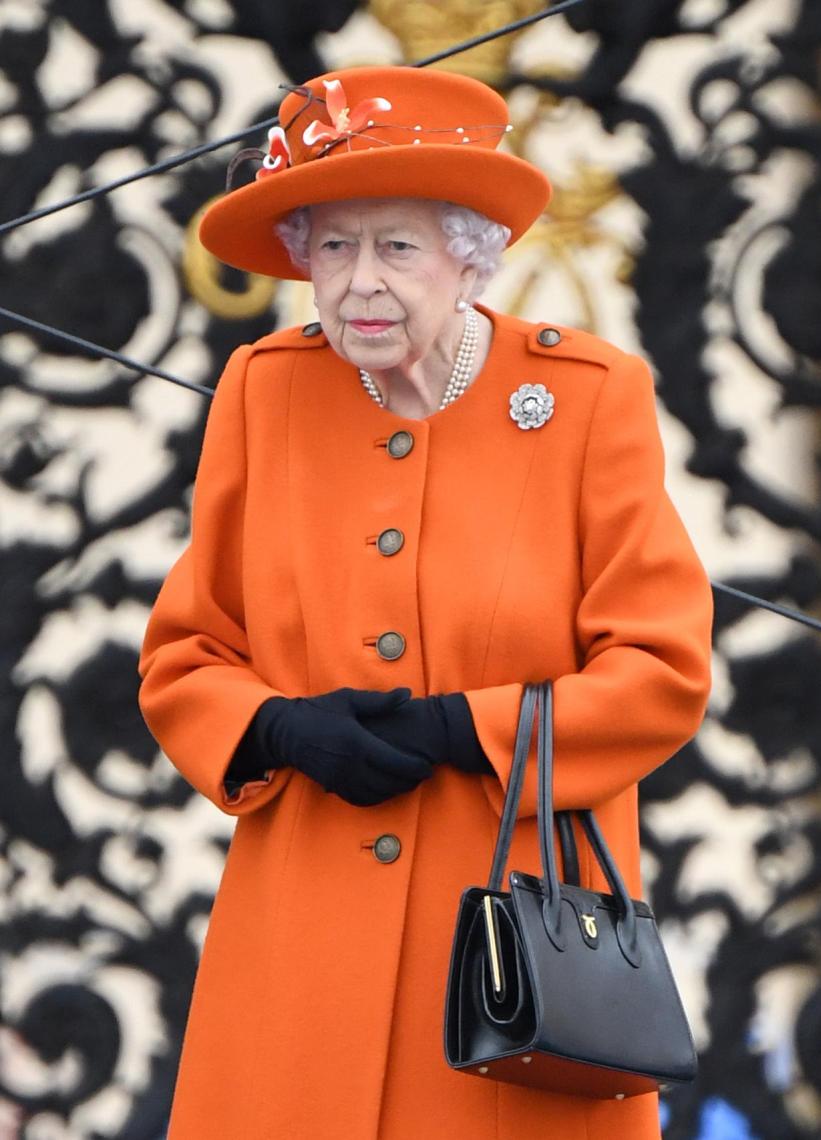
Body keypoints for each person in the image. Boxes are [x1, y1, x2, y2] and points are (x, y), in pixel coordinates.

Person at [138, 65, 712, 1140]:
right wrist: (274, 725)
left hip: (512, 962)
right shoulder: (266, 393)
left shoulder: (588, 400)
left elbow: (661, 670)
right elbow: (186, 651)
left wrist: (469, 728)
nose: (361, 282)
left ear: (470, 257)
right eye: (335, 246)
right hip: (301, 943)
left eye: (398, 246)